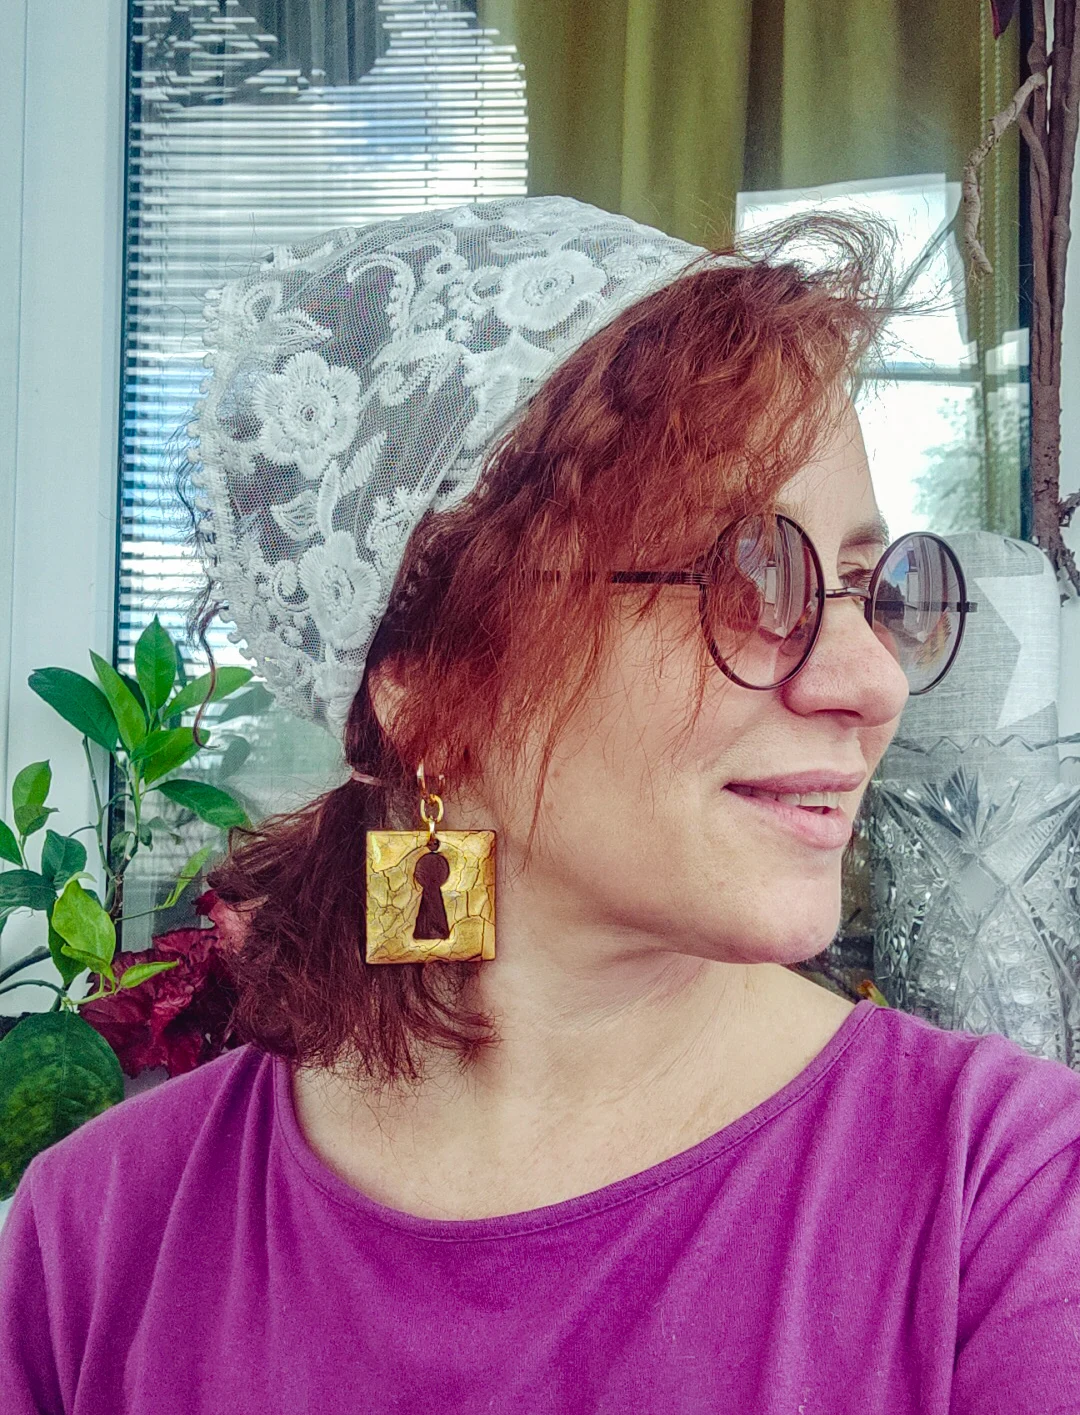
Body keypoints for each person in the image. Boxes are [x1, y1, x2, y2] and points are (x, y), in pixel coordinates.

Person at [3, 197, 1080, 1414]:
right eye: (750, 575)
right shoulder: (98, 1238)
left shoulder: (1007, 1203)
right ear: (428, 684)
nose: (873, 682)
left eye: (868, 584)